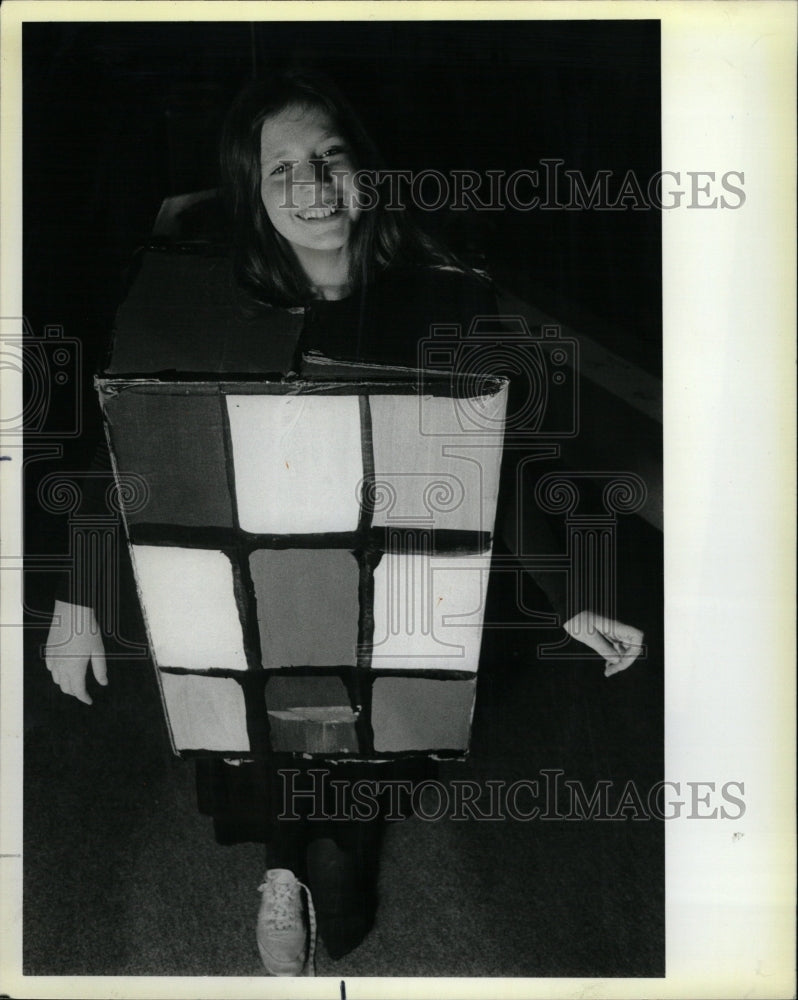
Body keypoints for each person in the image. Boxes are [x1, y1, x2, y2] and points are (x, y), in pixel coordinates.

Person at [45, 68, 644, 976]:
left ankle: (335, 849)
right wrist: (80, 601)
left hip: (390, 589)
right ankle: (280, 861)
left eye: (330, 155)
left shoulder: (444, 297)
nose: (314, 184)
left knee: (359, 794)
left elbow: (498, 462)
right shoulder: (205, 300)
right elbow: (130, 450)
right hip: (255, 579)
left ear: (367, 170)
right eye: (281, 166)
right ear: (251, 193)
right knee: (265, 736)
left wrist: (569, 596)